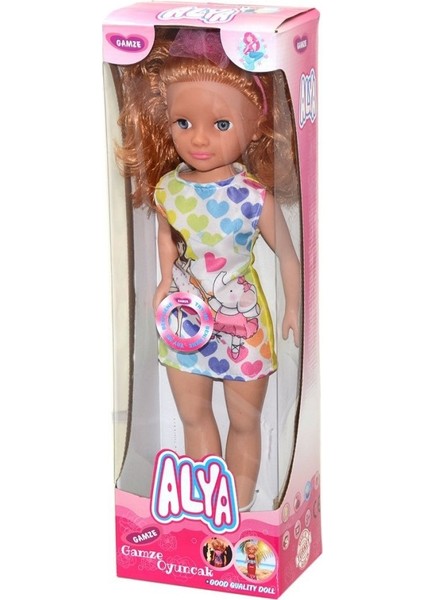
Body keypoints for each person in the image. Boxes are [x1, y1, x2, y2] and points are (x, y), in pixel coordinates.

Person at [116, 28, 301, 511]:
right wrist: (164, 279)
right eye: (183, 122)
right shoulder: (168, 189)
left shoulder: (253, 197)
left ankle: (240, 507)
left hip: (243, 325)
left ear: (256, 126)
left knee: (245, 421)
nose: (198, 138)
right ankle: (209, 505)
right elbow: (165, 234)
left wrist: (295, 307)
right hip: (185, 318)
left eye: (220, 124)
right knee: (194, 416)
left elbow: (287, 254)